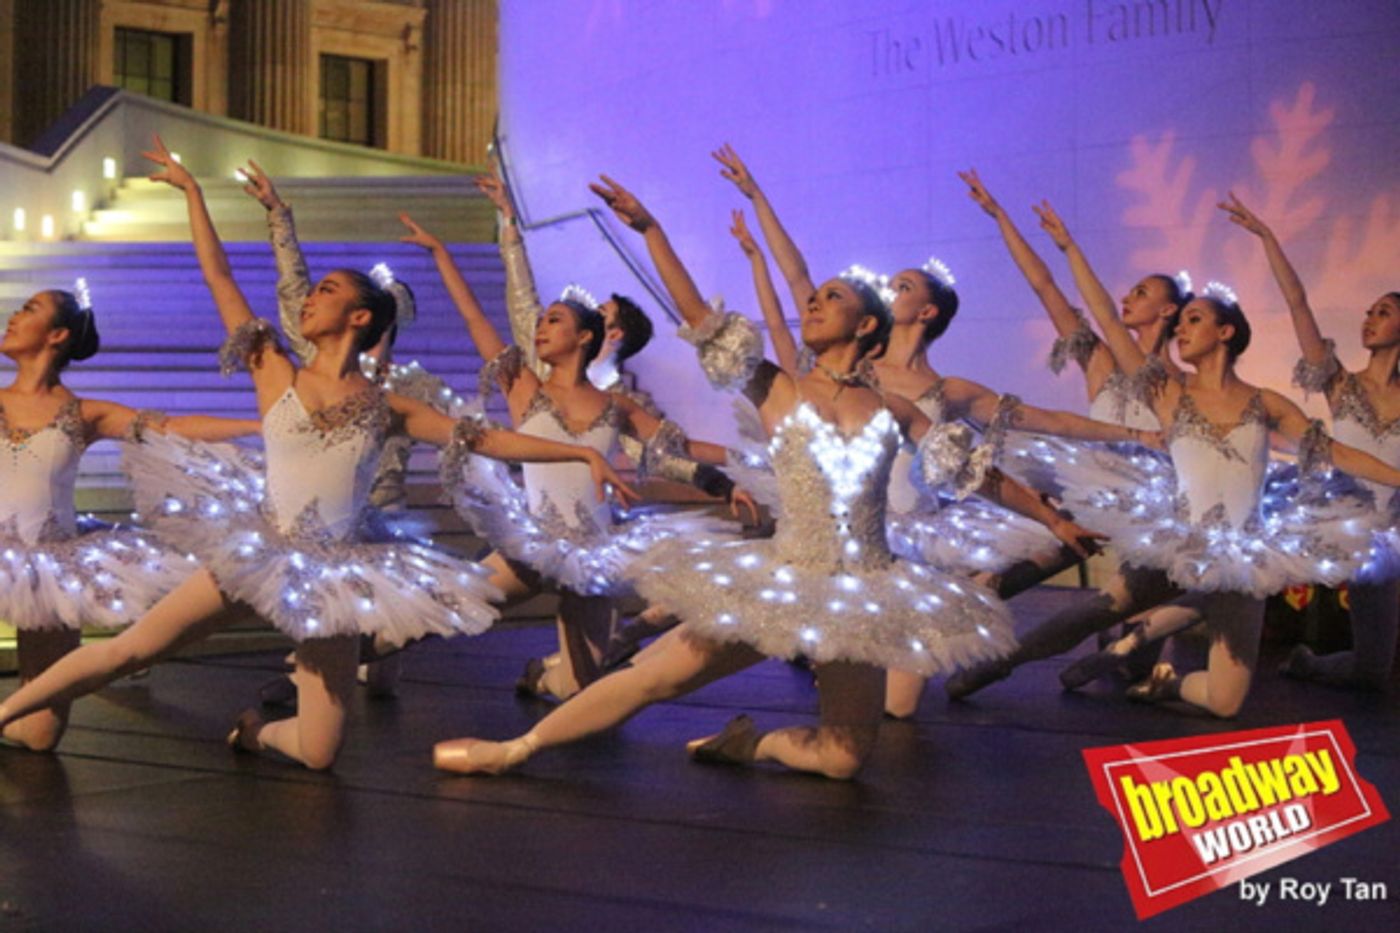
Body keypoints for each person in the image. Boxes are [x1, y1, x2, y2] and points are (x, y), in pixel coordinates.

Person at [0, 137, 639, 770]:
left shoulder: (391, 405)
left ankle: (255, 734)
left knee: (317, 751)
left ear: (361, 318)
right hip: (261, 548)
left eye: (326, 290)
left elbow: (487, 438)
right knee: (128, 652)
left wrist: (579, 457)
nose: (310, 298)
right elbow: (219, 276)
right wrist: (194, 193)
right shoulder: (272, 366)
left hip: (334, 574)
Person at [0, 283, 259, 750]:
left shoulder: (84, 413)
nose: (13, 317)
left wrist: (260, 426)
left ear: (57, 335)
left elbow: (170, 428)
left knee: (39, 736)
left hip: (52, 565)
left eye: (28, 309)